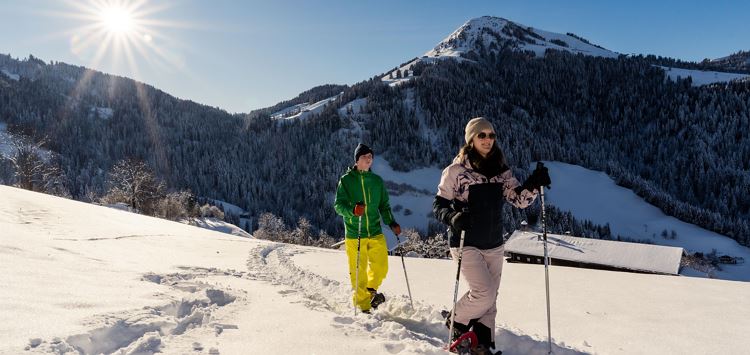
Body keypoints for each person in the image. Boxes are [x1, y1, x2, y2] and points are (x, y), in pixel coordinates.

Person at [433, 117, 551, 354]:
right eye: (482, 135)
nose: (488, 140)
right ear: (471, 140)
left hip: (494, 242)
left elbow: (518, 201)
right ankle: (456, 321)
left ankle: (482, 341)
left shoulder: (501, 172)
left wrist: (533, 184)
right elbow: (439, 205)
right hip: (465, 242)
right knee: (483, 292)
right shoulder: (456, 171)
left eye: (491, 135)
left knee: (490, 298)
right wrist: (452, 218)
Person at [334, 143, 401, 313]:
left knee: (381, 266)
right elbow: (338, 206)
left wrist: (391, 222)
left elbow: (384, 206)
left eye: (370, 157)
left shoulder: (376, 181)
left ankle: (370, 291)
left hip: (375, 231)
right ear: (356, 160)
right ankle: (363, 306)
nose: (369, 159)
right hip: (355, 232)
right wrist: (352, 211)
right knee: (358, 271)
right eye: (364, 157)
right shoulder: (346, 180)